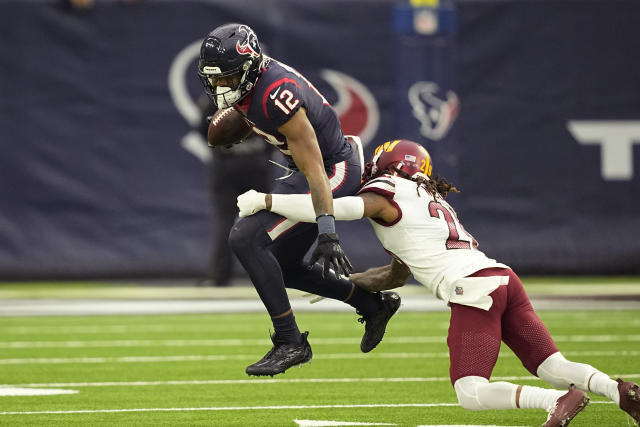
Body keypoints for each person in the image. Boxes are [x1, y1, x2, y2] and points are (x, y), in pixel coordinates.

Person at [237, 139, 640, 426]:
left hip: (472, 289)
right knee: (552, 364)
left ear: (388, 163)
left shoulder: (389, 190)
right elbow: (396, 273)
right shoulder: (431, 199)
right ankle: (619, 391)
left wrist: (267, 200)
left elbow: (334, 207)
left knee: (471, 392)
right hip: (501, 279)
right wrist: (343, 285)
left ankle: (557, 401)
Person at [197, 23, 400, 376]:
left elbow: (317, 170)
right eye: (215, 79)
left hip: (331, 172)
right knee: (283, 265)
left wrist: (327, 231)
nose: (220, 86)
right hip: (308, 171)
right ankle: (372, 305)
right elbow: (246, 114)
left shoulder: (278, 96)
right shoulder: (253, 82)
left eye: (227, 78)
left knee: (245, 238)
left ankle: (290, 342)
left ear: (248, 68)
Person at [194, 93, 271, 287]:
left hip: (232, 164)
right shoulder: (260, 94)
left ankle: (219, 275)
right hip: (253, 164)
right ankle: (271, 272)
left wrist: (226, 145)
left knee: (227, 223)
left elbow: (204, 130)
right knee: (263, 223)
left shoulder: (215, 97)